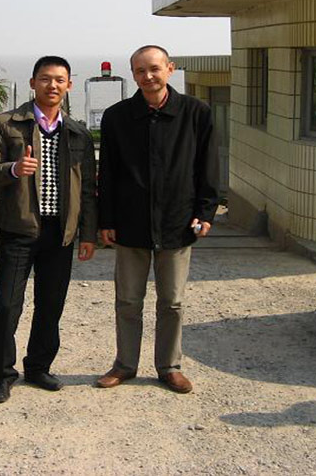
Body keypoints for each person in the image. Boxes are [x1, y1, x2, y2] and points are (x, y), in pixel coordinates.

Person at [95, 45, 220, 394]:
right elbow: (108, 172)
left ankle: (169, 366)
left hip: (177, 221)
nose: (148, 76)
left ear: (170, 68)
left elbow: (208, 166)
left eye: (154, 68)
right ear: (133, 74)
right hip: (130, 222)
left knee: (172, 301)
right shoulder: (117, 117)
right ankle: (125, 364)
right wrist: (106, 219)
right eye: (140, 70)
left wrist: (205, 211)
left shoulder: (196, 112)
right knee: (128, 300)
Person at [0, 56, 97, 404]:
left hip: (60, 232)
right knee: (6, 305)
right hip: (19, 229)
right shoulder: (6, 124)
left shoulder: (77, 132)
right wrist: (14, 169)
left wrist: (88, 234)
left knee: (51, 304)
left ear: (69, 85)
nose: (52, 85)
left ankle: (38, 367)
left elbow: (88, 189)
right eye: (45, 79)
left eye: (60, 80)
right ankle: (2, 375)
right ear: (33, 83)